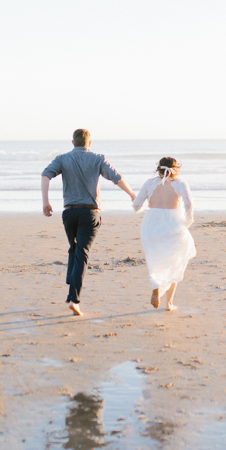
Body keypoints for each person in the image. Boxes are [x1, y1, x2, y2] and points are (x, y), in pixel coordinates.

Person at [41, 129, 135, 315]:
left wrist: (46, 202)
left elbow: (45, 175)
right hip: (90, 213)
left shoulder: (62, 159)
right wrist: (132, 194)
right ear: (89, 143)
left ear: (72, 142)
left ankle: (70, 285)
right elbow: (117, 177)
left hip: (69, 213)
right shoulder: (98, 158)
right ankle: (74, 299)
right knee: (81, 253)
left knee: (74, 248)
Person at [132, 156, 196, 311]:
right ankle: (168, 303)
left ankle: (156, 285)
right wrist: (187, 222)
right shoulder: (180, 183)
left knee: (155, 258)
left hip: (151, 222)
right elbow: (188, 203)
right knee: (176, 259)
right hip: (172, 221)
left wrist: (136, 202)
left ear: (158, 168)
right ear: (176, 169)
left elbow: (137, 205)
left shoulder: (149, 183)